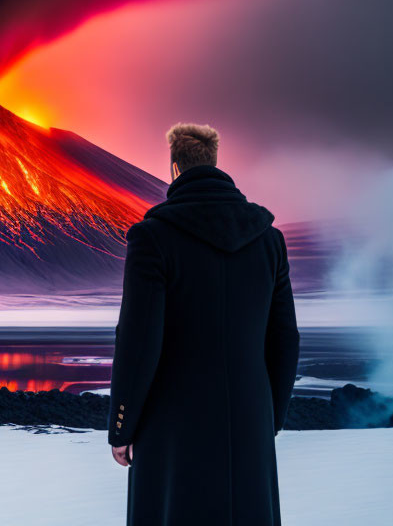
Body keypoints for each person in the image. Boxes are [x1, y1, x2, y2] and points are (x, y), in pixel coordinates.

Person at [109, 123, 300, 525]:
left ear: (175, 168)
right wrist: (270, 416)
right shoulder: (269, 240)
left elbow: (139, 340)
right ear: (215, 162)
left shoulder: (153, 237)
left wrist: (122, 427)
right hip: (250, 416)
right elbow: (284, 337)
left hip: (172, 422)